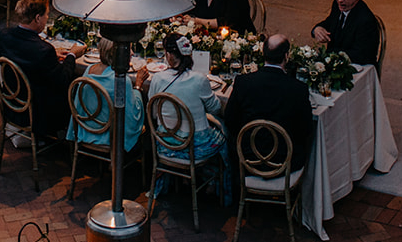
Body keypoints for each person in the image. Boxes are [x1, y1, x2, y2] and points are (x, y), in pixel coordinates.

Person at [0, 0, 84, 139]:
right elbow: (62, 79)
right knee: (79, 83)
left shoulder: (4, 36)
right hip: (39, 113)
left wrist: (54, 54)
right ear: (37, 18)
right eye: (46, 16)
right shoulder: (43, 50)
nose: (46, 20)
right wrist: (72, 55)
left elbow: (25, 54)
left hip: (12, 104)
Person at [223, 35, 313, 173]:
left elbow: (230, 119)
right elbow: (305, 129)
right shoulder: (298, 89)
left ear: (263, 54)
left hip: (247, 157)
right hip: (284, 161)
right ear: (286, 56)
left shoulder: (243, 82)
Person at [150, 34, 225, 168]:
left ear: (170, 55)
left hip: (166, 143)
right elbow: (216, 109)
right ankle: (217, 184)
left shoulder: (157, 78)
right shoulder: (199, 79)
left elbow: (154, 114)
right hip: (196, 147)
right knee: (225, 136)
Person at [67, 39, 149, 154]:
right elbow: (133, 115)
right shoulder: (121, 80)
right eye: (127, 49)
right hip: (109, 136)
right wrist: (138, 86)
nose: (131, 53)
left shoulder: (89, 70)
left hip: (86, 129)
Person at [311, 0, 379, 66]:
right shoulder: (338, 4)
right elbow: (331, 22)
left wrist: (331, 55)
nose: (340, 0)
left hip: (358, 65)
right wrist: (317, 29)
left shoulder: (365, 20)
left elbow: (361, 54)